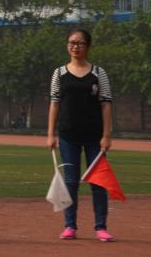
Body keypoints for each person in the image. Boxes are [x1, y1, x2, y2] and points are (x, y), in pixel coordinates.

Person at [47, 28, 114, 242]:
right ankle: (70, 226)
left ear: (88, 46)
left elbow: (106, 104)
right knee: (71, 182)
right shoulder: (59, 73)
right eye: (72, 42)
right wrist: (50, 134)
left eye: (80, 43)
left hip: (95, 136)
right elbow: (55, 103)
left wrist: (106, 135)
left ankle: (101, 227)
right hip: (68, 135)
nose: (75, 46)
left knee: (99, 182)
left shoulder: (98, 73)